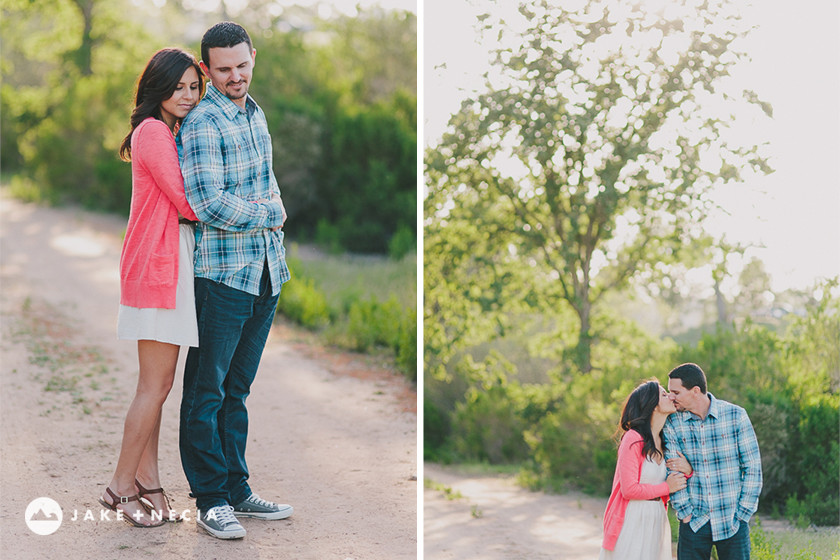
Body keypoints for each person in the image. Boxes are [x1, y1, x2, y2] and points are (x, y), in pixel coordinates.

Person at [176, 21, 292, 540]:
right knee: (208, 390)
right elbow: (208, 203)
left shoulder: (256, 112)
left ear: (253, 57)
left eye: (242, 65)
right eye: (223, 69)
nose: (235, 76)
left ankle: (238, 489)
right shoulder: (201, 123)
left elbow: (265, 184)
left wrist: (270, 212)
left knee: (237, 391)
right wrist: (269, 213)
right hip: (222, 275)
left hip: (267, 270)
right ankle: (211, 499)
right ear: (206, 69)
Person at [99, 48, 205, 527]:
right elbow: (187, 202)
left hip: (167, 267)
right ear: (157, 88)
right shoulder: (155, 133)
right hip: (158, 269)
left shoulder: (165, 131)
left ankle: (149, 482)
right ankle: (120, 487)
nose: (187, 95)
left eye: (192, 86)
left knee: (158, 386)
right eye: (177, 86)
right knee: (155, 384)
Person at [663, 363, 763, 560]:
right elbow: (673, 471)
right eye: (669, 392)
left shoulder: (735, 416)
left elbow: (752, 467)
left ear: (695, 391)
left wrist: (743, 514)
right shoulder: (673, 423)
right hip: (694, 522)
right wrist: (685, 513)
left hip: (732, 520)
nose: (670, 397)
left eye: (675, 392)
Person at [600, 379, 691, 559]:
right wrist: (667, 487)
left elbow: (676, 479)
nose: (671, 397)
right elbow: (629, 489)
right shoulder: (633, 439)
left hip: (656, 518)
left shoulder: (666, 441)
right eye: (664, 394)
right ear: (652, 405)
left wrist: (687, 470)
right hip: (632, 519)